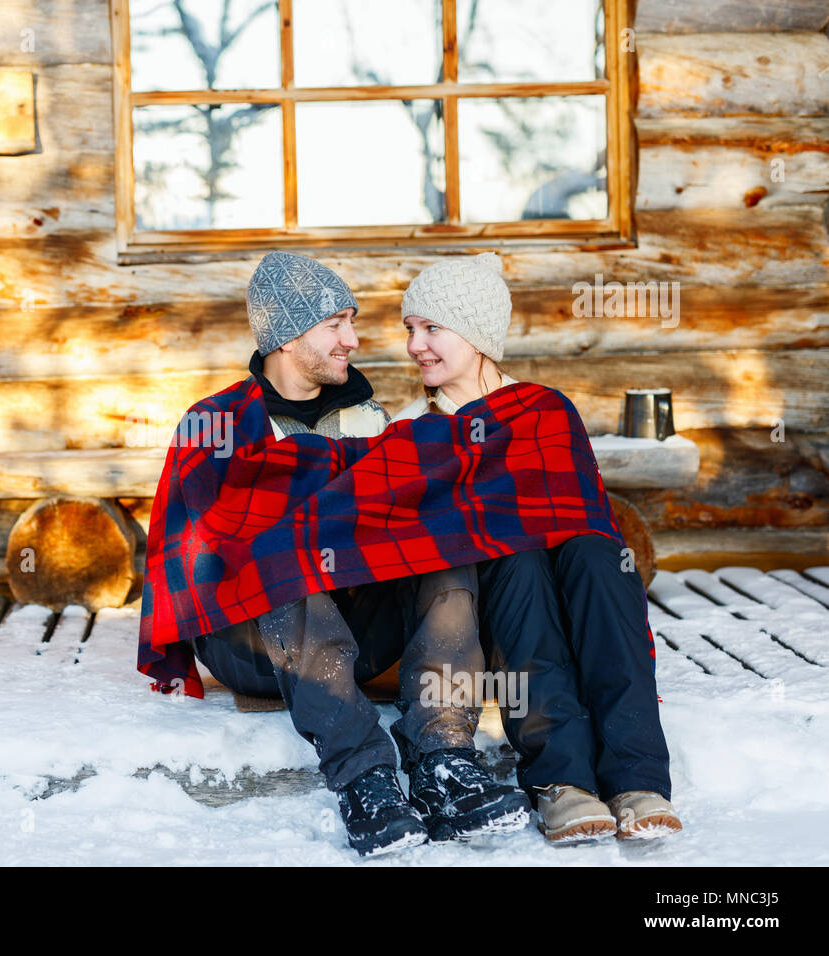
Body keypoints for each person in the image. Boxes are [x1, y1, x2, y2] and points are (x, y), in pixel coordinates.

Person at [187, 251, 530, 855]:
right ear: (290, 337)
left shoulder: (371, 422)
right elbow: (207, 554)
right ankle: (365, 776)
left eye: (352, 320)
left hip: (358, 626)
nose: (354, 338)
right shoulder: (218, 423)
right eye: (336, 323)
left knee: (443, 544)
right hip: (251, 638)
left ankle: (443, 757)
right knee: (279, 547)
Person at [392, 252, 682, 842]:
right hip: (492, 585)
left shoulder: (545, 409)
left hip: (573, 572)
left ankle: (636, 776)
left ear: (475, 334)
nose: (416, 345)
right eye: (410, 330)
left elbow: (580, 509)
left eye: (432, 328)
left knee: (601, 557)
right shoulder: (412, 427)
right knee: (517, 561)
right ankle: (562, 781)